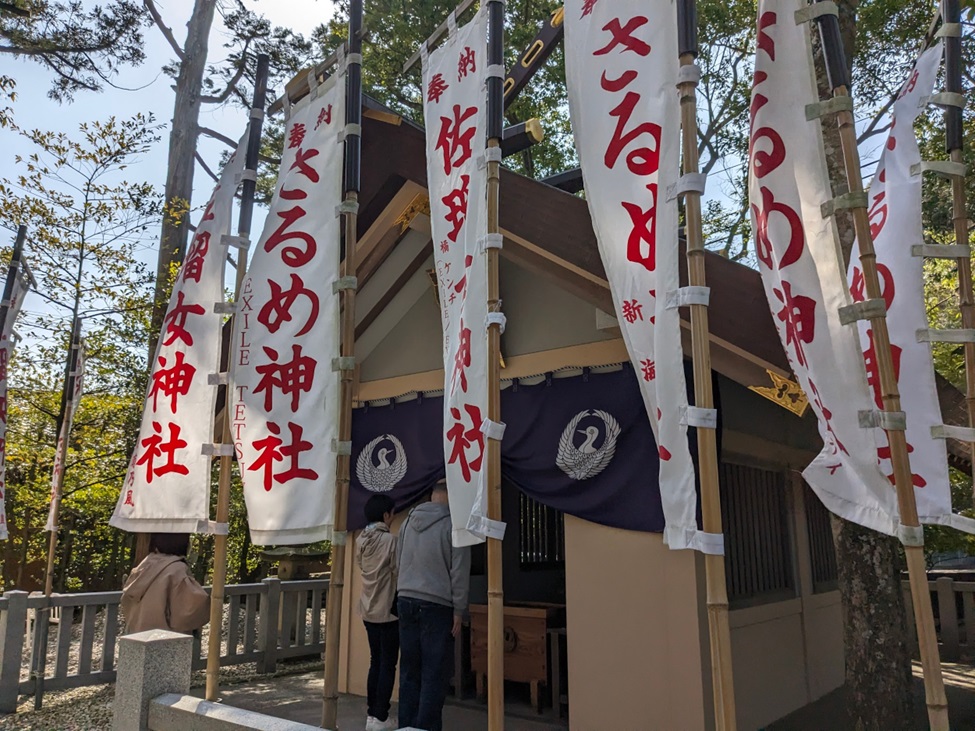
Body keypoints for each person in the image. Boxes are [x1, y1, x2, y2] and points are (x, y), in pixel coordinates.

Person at [397, 481, 471, 731]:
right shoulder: (454, 526)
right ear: (451, 499)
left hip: (405, 599)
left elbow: (398, 561)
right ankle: (426, 727)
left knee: (409, 670)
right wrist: (459, 609)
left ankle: (407, 726)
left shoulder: (407, 523)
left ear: (432, 496)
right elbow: (459, 571)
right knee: (433, 673)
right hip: (436, 605)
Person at [355, 494, 400, 731]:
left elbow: (361, 565)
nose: (393, 518)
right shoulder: (390, 541)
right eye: (392, 513)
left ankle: (372, 714)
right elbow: (398, 569)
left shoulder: (361, 540)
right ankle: (381, 716)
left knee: (376, 661)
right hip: (387, 610)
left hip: (367, 608)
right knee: (388, 664)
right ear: (385, 515)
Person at [120, 533, 210, 635]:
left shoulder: (145, 564)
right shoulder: (177, 569)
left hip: (137, 633)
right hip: (165, 636)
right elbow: (192, 607)